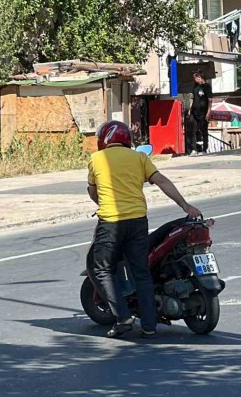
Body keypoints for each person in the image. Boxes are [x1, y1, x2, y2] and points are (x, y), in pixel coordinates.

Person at [87, 121, 201, 339]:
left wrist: (100, 201)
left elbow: (93, 193)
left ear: (104, 139)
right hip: (138, 222)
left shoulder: (96, 159)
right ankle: (149, 325)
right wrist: (185, 205)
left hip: (111, 223)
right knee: (141, 271)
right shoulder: (140, 158)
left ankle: (123, 317)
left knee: (101, 269)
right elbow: (162, 181)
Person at [186, 70, 212, 155]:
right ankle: (193, 149)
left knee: (204, 130)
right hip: (194, 111)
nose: (194, 79)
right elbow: (193, 99)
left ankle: (204, 149)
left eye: (195, 78)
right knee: (192, 130)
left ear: (200, 77)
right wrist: (190, 110)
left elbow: (210, 100)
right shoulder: (195, 87)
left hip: (203, 112)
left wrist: (208, 112)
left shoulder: (207, 87)